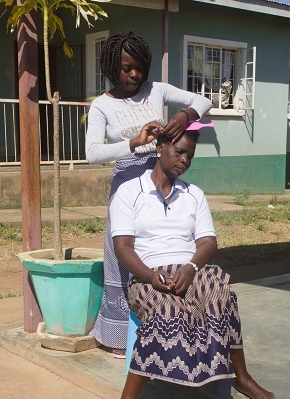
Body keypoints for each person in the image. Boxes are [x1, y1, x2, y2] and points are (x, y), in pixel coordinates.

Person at [108, 123, 276, 399]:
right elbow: (122, 246)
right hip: (147, 275)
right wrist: (149, 276)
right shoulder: (129, 191)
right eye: (179, 151)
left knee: (222, 296)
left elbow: (208, 242)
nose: (184, 159)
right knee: (165, 309)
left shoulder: (193, 194)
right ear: (160, 148)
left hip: (191, 270)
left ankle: (242, 377)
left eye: (190, 155)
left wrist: (191, 268)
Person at [86, 31, 213, 357]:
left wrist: (185, 116)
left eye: (139, 67)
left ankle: (165, 323)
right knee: (122, 254)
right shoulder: (102, 106)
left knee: (158, 247)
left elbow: (204, 101)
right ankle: (118, 335)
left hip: (161, 181)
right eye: (126, 68)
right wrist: (135, 142)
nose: (134, 75)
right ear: (111, 66)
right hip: (127, 182)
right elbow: (92, 153)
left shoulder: (157, 91)